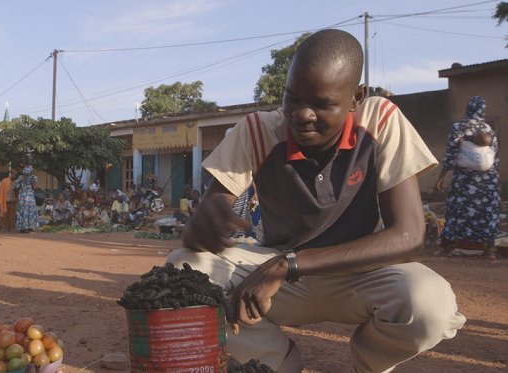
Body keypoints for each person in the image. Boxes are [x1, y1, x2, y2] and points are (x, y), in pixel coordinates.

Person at [167, 29, 465, 373]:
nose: (302, 114)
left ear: (356, 98)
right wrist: (202, 228)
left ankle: (369, 360)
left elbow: (410, 236)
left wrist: (290, 264)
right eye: (292, 98)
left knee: (431, 305)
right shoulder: (257, 132)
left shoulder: (380, 120)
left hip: (358, 273)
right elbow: (202, 228)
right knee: (183, 271)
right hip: (275, 275)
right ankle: (275, 361)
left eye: (322, 104)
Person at [435, 96, 500, 260]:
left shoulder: (459, 127)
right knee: (486, 211)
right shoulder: (489, 130)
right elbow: (495, 158)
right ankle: (489, 249)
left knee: (458, 209)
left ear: (468, 108)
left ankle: (450, 246)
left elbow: (451, 155)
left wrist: (441, 177)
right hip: (488, 180)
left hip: (465, 179)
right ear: (482, 110)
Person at [14, 165, 39, 233]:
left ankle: (22, 227)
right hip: (30, 197)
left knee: (22, 211)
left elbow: (15, 187)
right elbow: (35, 188)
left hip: (22, 197)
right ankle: (29, 227)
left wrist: (21, 187)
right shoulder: (33, 177)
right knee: (30, 212)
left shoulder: (20, 177)